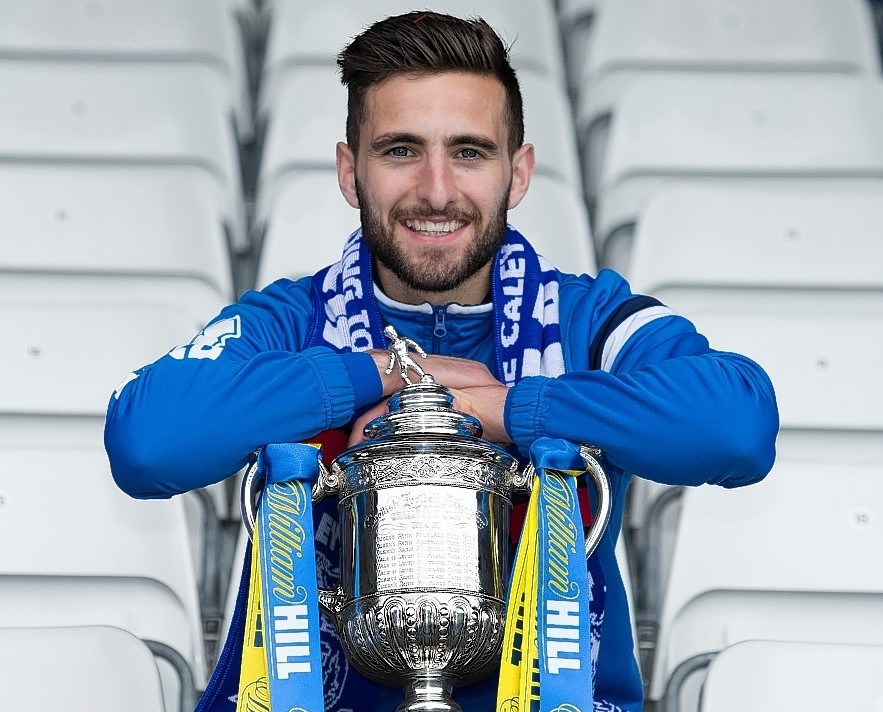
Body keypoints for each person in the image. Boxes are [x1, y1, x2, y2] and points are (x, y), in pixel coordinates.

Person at [105, 10, 778, 711]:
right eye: (399, 151)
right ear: (348, 170)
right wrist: (380, 375)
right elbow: (148, 441)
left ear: (517, 173)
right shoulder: (290, 321)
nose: (434, 190)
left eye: (469, 152)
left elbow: (734, 427)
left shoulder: (587, 319)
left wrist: (513, 407)